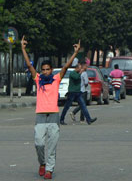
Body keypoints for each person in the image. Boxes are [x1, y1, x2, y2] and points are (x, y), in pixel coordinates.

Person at [21, 36, 80, 179]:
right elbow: (29, 66)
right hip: (40, 117)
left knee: (52, 147)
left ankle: (49, 170)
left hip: (53, 117)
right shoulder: (38, 79)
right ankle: (42, 163)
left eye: (48, 69)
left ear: (51, 70)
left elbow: (66, 67)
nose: (45, 71)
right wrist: (23, 48)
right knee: (39, 144)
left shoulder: (56, 79)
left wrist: (75, 53)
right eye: (43, 69)